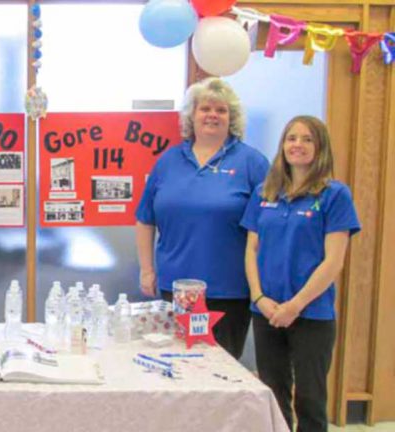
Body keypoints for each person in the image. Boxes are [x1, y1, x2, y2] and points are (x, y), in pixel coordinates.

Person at [135, 77, 269, 359]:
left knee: (222, 369)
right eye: (205, 108)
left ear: (231, 118)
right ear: (191, 116)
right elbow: (145, 219)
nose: (212, 115)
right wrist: (147, 270)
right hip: (175, 288)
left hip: (229, 291)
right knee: (176, 365)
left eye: (221, 110)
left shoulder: (252, 163)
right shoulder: (168, 162)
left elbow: (269, 227)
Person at [241, 116, 360, 432]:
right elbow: (251, 250)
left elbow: (333, 262)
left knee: (310, 400)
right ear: (283, 145)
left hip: (311, 314)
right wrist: (259, 297)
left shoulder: (334, 195)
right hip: (266, 311)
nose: (298, 145)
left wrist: (295, 305)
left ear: (320, 147)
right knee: (273, 394)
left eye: (307, 139)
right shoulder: (264, 193)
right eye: (291, 138)